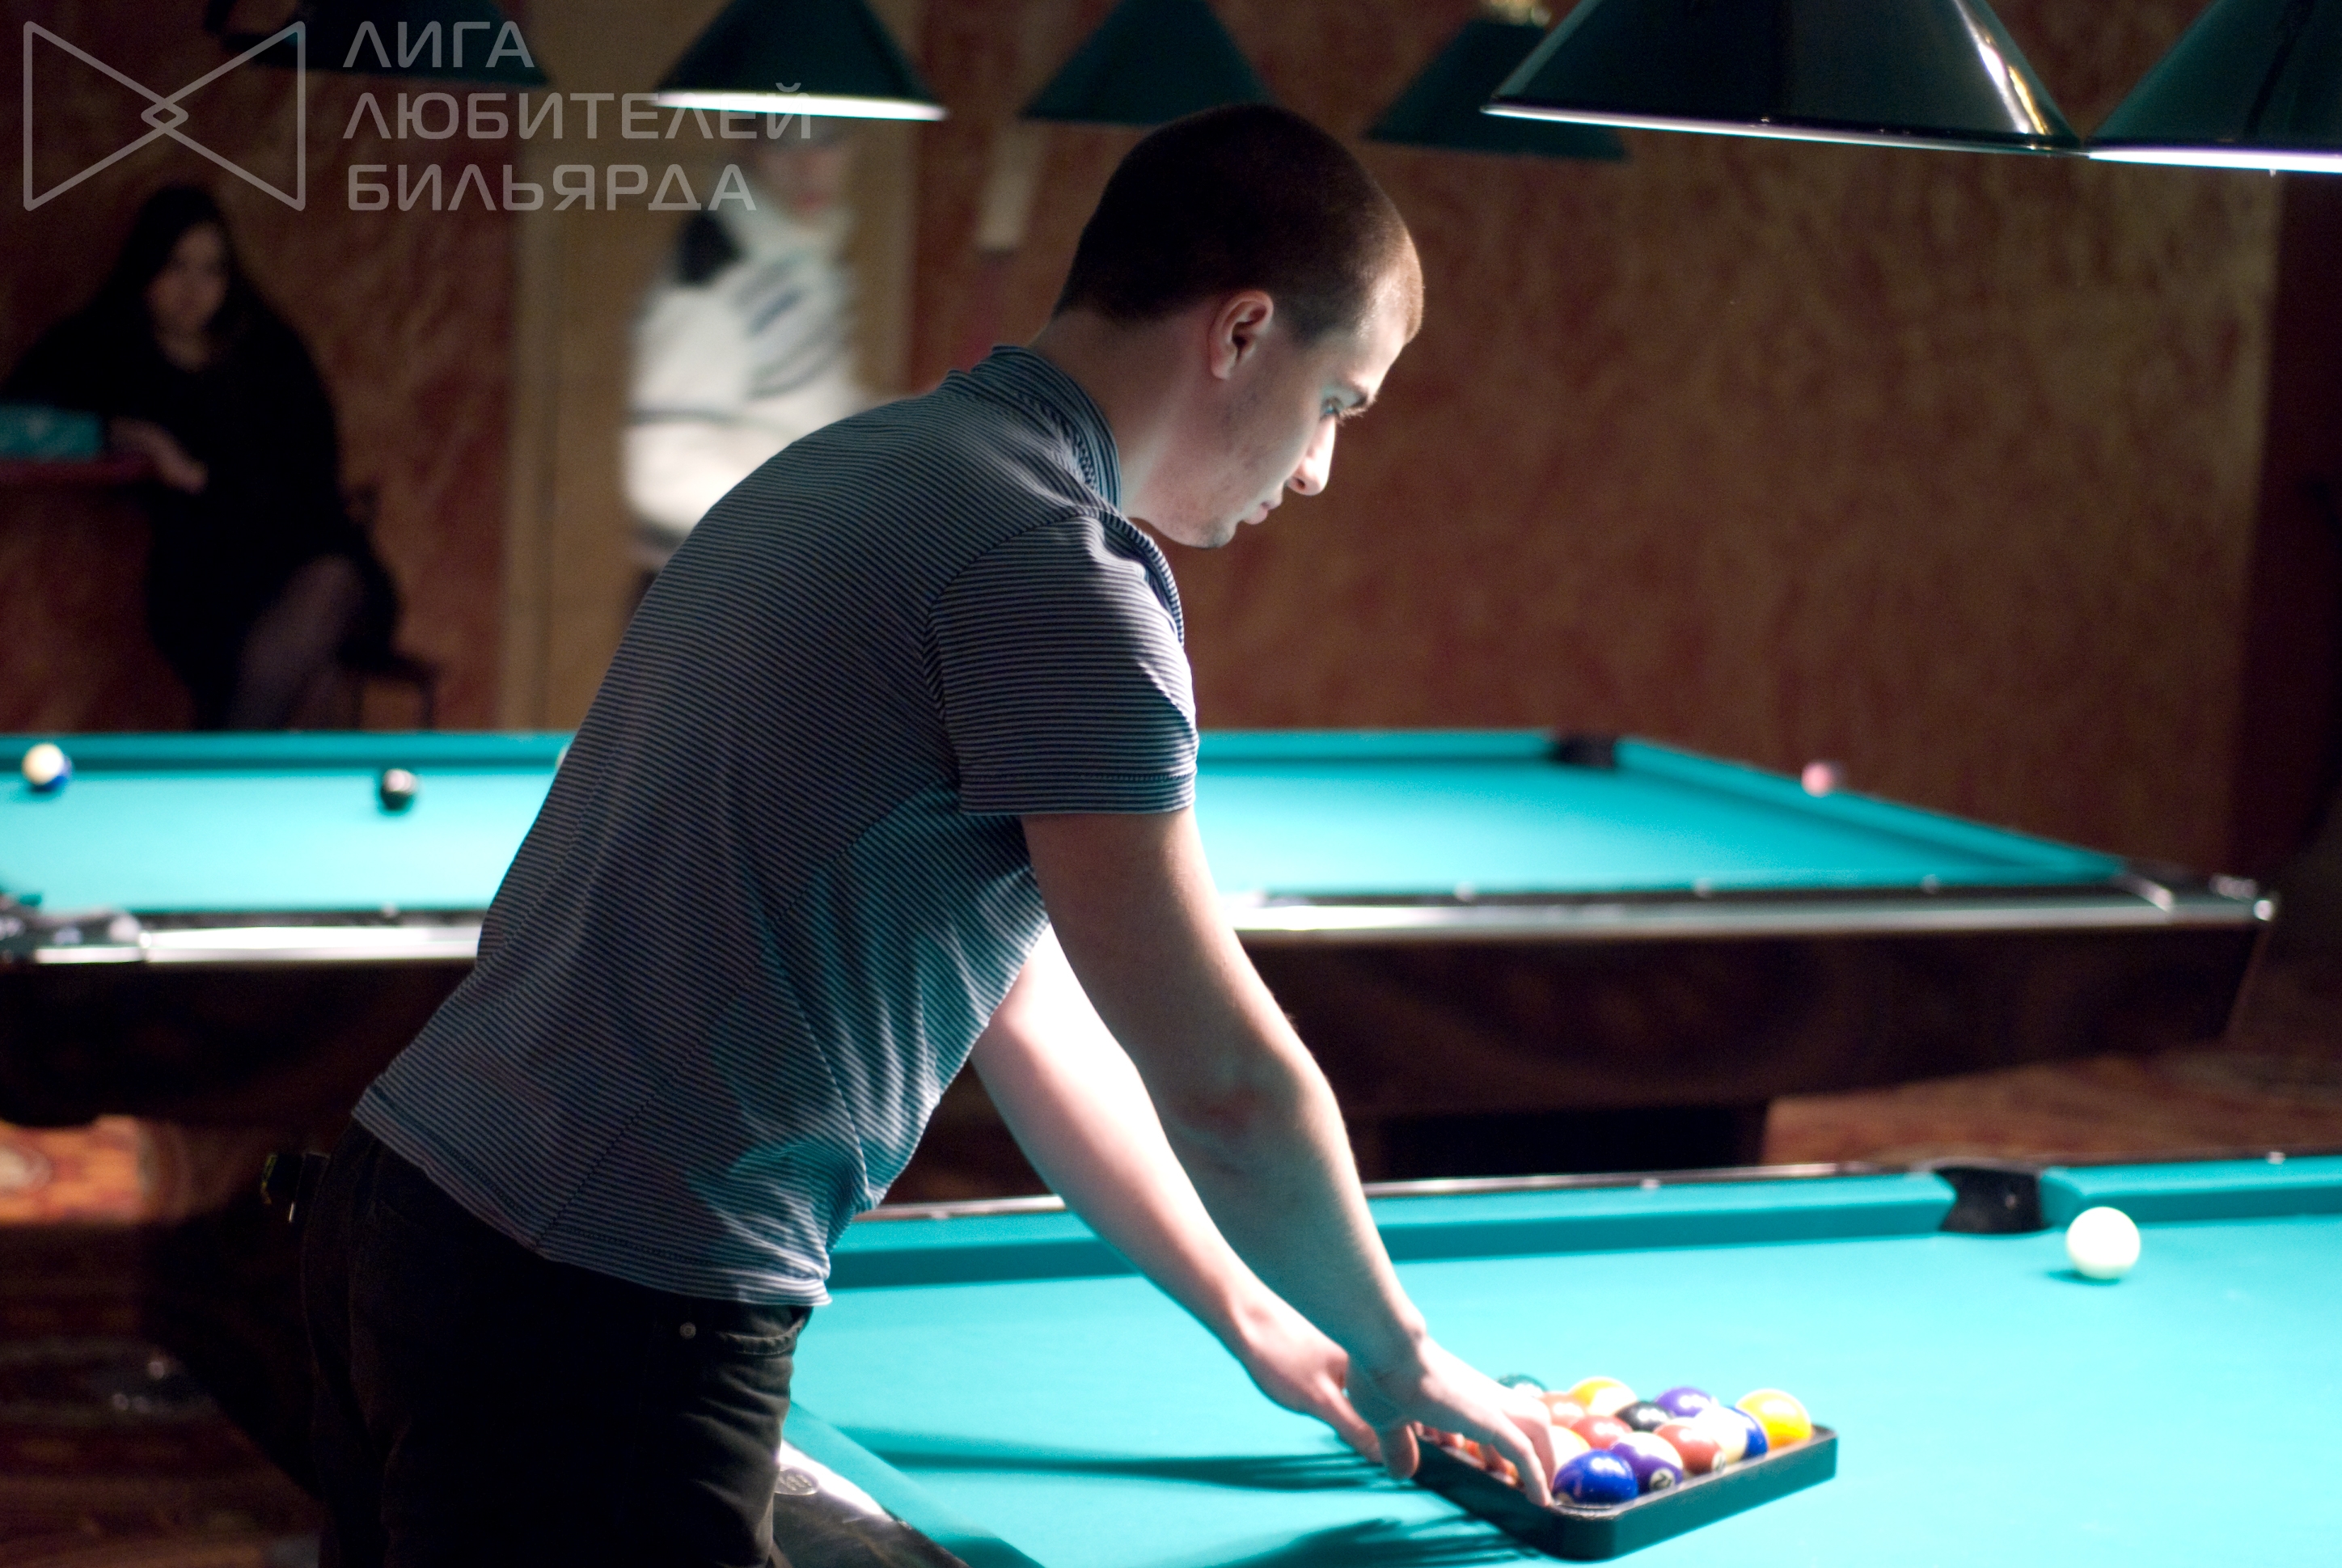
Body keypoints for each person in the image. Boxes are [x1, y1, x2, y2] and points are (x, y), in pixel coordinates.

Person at [302, 105, 1558, 1566]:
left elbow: (1017, 1003)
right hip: (593, 1308)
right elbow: (1223, 1082)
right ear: (1241, 332)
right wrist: (1406, 1345)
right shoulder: (1062, 571)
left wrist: (1253, 1308)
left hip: (401, 1214)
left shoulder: (866, 460)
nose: (1321, 466)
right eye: (1337, 400)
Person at [2, 185, 397, 729]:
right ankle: (244, 767)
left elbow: (315, 471)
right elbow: (12, 425)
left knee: (327, 597)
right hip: (201, 577)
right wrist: (123, 434)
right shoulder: (103, 344)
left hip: (306, 550)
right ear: (146, 266)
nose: (194, 289)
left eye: (213, 270)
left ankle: (229, 762)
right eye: (177, 266)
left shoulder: (267, 345)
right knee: (315, 677)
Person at [625, 125, 875, 579]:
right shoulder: (714, 276)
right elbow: (664, 471)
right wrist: (812, 510)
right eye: (786, 143)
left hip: (765, 577)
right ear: (748, 143)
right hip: (715, 587)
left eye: (828, 140)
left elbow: (797, 413)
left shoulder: (800, 260)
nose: (810, 167)